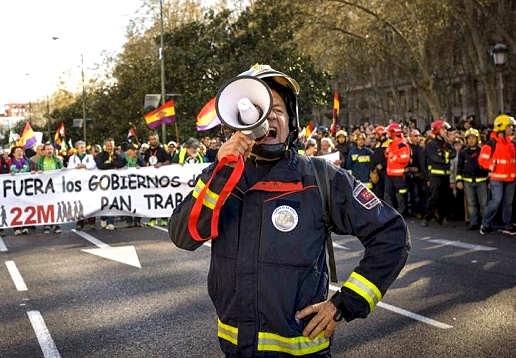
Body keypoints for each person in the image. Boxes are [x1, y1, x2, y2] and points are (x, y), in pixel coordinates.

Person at [168, 64, 409, 358]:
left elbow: (392, 234)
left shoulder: (322, 178)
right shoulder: (220, 177)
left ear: (290, 120)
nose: (268, 115)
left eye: (277, 108)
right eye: (258, 107)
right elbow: (183, 236)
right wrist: (221, 174)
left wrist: (345, 304)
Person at [478, 115, 516, 235]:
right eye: (510, 126)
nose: (512, 129)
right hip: (497, 178)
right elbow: (482, 160)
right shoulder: (490, 144)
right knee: (496, 201)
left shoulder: (511, 143)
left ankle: (508, 225)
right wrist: (492, 167)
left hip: (511, 178)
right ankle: (485, 223)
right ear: (502, 127)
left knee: (508, 203)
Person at [422, 120, 456, 227]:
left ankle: (443, 218)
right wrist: (446, 156)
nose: (445, 131)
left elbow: (453, 154)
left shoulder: (447, 144)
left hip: (446, 175)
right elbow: (435, 158)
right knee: (434, 197)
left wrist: (443, 155)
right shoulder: (431, 144)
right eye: (443, 129)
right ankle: (427, 218)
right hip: (435, 176)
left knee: (445, 198)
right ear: (437, 130)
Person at [95, 138, 126, 230]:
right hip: (102, 183)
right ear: (105, 146)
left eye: (111, 146)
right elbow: (100, 165)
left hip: (113, 184)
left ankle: (110, 222)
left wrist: (111, 163)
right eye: (108, 146)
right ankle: (104, 217)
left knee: (112, 201)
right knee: (104, 202)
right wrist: (113, 165)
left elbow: (120, 164)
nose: (110, 147)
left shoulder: (117, 155)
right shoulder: (101, 155)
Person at [36, 143, 65, 234]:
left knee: (56, 206)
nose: (49, 151)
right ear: (44, 151)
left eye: (51, 149)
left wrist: (63, 169)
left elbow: (62, 171)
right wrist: (38, 172)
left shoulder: (58, 160)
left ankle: (57, 224)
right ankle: (47, 225)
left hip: (55, 188)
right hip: (44, 188)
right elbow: (36, 174)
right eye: (47, 149)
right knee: (45, 206)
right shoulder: (40, 162)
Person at [68, 141, 97, 230]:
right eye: (81, 147)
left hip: (88, 183)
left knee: (90, 202)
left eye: (84, 147)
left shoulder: (90, 156)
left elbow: (93, 165)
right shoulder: (73, 158)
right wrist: (77, 166)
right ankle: (79, 223)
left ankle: (91, 222)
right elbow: (69, 167)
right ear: (77, 149)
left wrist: (84, 165)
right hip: (78, 184)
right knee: (79, 204)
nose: (83, 149)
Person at [383, 123, 411, 215]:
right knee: (388, 195)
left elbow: (405, 159)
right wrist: (387, 154)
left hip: (399, 176)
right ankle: (390, 215)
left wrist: (393, 156)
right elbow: (387, 156)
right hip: (389, 175)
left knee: (400, 197)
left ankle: (400, 215)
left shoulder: (402, 145)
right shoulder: (391, 144)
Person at [123, 142, 145, 227]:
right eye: (133, 150)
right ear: (128, 151)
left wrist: (140, 167)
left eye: (135, 150)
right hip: (127, 185)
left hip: (137, 185)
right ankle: (129, 221)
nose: (135, 151)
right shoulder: (124, 158)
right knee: (128, 202)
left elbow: (144, 165)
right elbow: (118, 166)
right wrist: (122, 168)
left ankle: (137, 220)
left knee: (138, 202)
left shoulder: (138, 158)